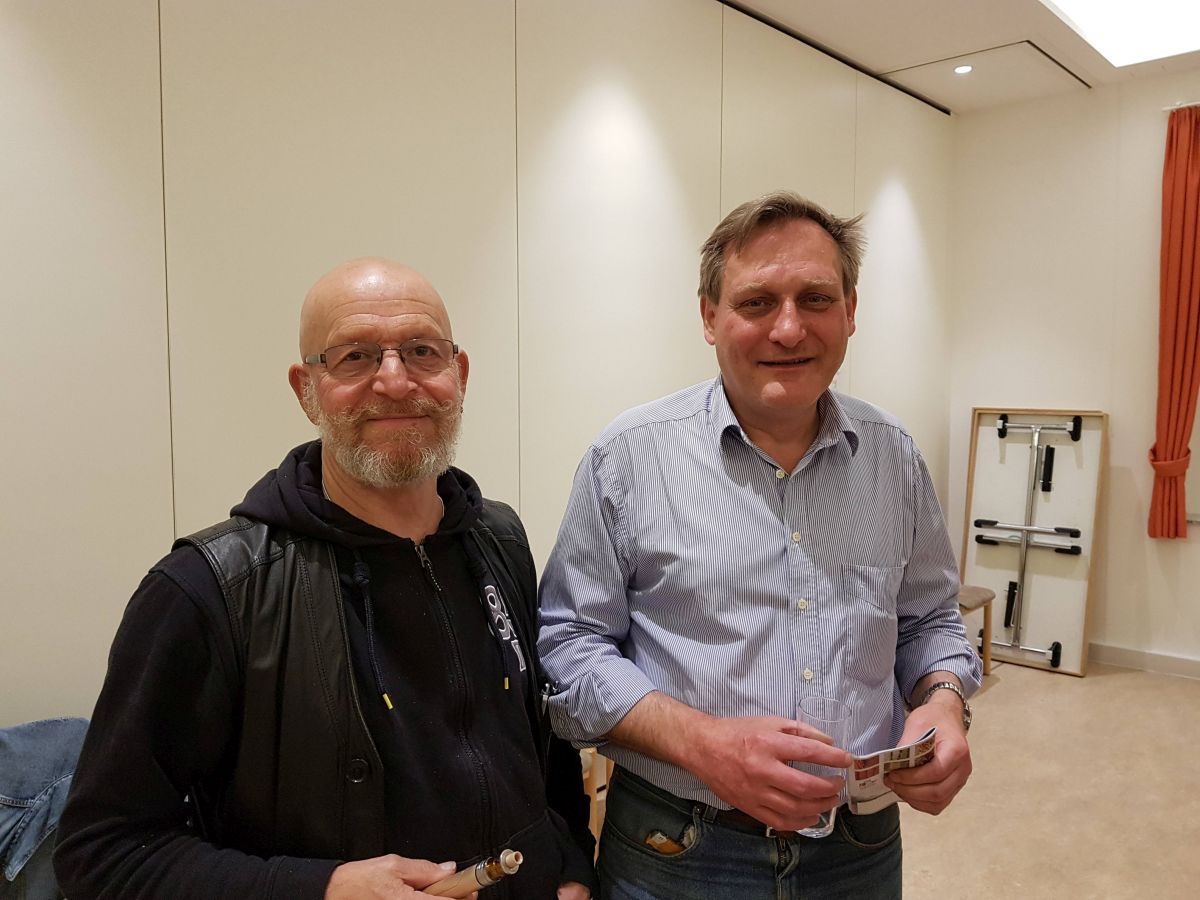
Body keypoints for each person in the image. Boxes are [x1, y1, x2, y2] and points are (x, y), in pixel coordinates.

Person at [54, 258, 596, 900]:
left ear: (460, 373)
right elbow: (102, 854)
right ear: (305, 388)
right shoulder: (209, 590)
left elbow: (541, 745)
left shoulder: (500, 540)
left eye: (422, 351)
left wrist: (568, 865)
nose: (394, 381)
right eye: (355, 357)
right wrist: (322, 889)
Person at [537, 192, 982, 898]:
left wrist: (943, 702)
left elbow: (928, 620)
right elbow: (569, 647)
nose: (789, 327)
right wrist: (701, 743)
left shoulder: (893, 457)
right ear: (709, 316)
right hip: (678, 850)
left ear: (851, 311)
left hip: (860, 847)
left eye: (816, 298)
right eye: (756, 303)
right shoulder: (627, 458)